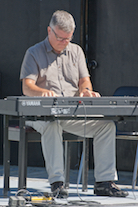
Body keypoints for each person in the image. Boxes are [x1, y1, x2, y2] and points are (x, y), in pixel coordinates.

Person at [20, 10, 128, 198]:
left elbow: (84, 80)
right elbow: (27, 87)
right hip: (40, 115)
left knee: (106, 126)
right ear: (49, 31)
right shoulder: (34, 52)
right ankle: (57, 183)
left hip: (70, 113)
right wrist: (42, 92)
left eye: (68, 39)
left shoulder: (76, 51)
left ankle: (104, 182)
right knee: (51, 124)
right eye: (60, 38)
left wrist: (86, 91)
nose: (64, 43)